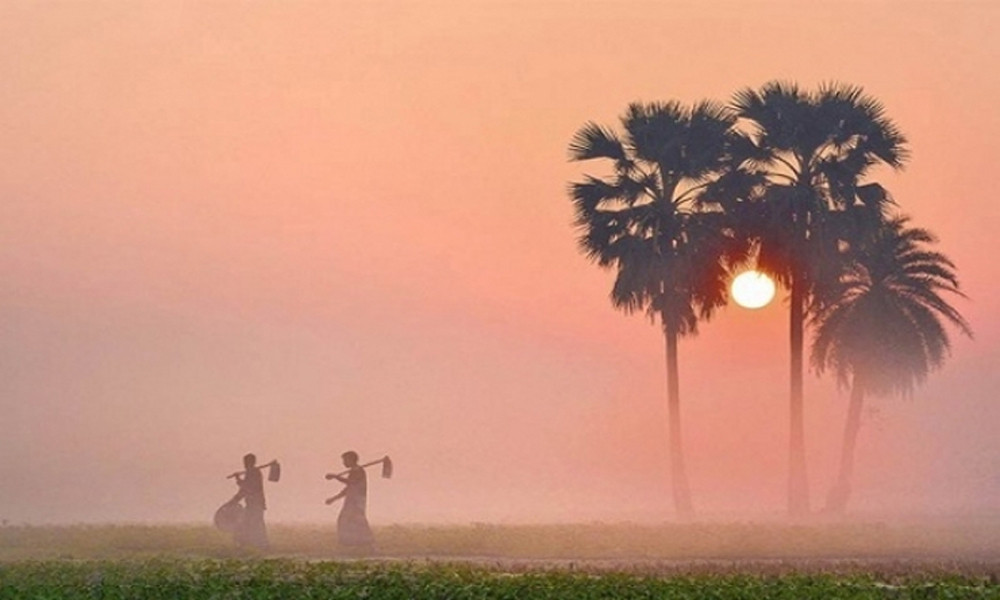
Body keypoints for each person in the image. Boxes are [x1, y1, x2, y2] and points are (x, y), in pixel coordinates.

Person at [326, 450, 375, 549]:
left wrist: (336, 477)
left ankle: (366, 543)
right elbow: (348, 488)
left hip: (356, 501)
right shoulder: (355, 471)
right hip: (352, 500)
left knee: (353, 520)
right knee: (350, 521)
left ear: (351, 460)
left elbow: (351, 482)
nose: (344, 463)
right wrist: (334, 498)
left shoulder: (358, 471)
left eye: (345, 460)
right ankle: (356, 544)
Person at [229, 453, 269, 550]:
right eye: (245, 462)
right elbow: (245, 489)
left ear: (251, 462)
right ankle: (252, 544)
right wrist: (235, 499)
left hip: (255, 504)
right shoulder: (252, 473)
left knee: (253, 524)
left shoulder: (253, 473)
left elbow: (247, 488)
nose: (245, 464)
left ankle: (259, 545)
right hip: (253, 504)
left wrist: (238, 479)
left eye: (247, 462)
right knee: (250, 524)